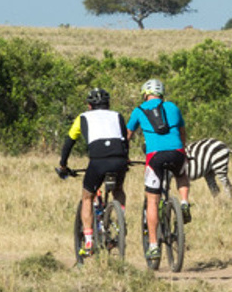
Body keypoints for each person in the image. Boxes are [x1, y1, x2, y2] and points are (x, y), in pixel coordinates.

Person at [57, 88, 129, 258]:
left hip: (98, 160)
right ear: (108, 104)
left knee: (87, 197)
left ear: (89, 106)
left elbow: (69, 143)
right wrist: (126, 159)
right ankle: (120, 222)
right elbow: (125, 140)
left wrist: (63, 165)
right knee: (118, 189)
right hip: (119, 158)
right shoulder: (117, 115)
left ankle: (89, 241)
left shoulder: (82, 117)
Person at [125, 78, 190, 262]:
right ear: (162, 93)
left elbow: (127, 136)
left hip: (155, 157)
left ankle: (153, 246)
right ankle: (184, 202)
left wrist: (125, 155)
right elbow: (182, 131)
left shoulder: (139, 111)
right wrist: (182, 150)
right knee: (182, 174)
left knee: (152, 201)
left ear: (145, 93)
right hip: (176, 152)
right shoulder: (173, 107)